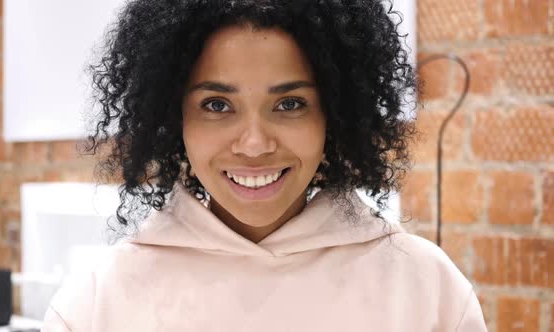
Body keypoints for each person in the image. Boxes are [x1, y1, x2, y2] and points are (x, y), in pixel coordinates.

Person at [42, 0, 487, 331]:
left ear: (332, 115)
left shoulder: (427, 291)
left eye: (290, 103)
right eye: (217, 104)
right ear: (173, 118)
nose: (254, 145)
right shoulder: (96, 304)